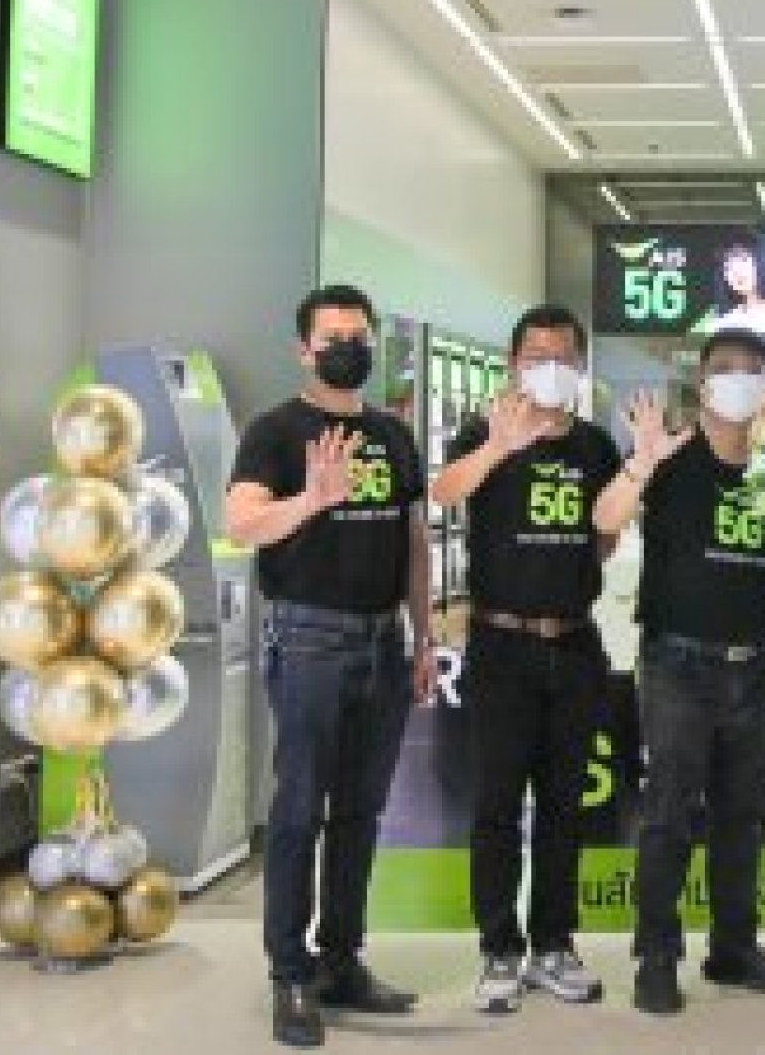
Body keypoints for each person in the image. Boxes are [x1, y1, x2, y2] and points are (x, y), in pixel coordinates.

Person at [225, 284, 436, 1049]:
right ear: (303, 350)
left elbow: (413, 540)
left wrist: (423, 636)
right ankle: (289, 973)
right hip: (309, 638)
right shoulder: (275, 432)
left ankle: (342, 960)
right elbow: (242, 523)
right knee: (297, 811)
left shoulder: (393, 434)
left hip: (384, 641)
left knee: (360, 811)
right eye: (333, 338)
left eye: (359, 337)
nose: (348, 348)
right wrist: (311, 501)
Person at [591, 328, 765, 1016]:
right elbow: (604, 520)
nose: (739, 379)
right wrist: (640, 464)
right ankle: (656, 956)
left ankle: (734, 948)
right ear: (703, 382)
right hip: (678, 665)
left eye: (752, 369)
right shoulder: (671, 456)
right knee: (669, 814)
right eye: (725, 368)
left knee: (742, 818)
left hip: (755, 665)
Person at [431, 304, 622, 1016]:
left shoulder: (596, 446)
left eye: (563, 356)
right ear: (514, 365)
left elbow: (604, 536)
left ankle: (553, 945)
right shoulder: (484, 430)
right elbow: (444, 491)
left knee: (566, 807)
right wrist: (499, 447)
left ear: (580, 365)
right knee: (497, 804)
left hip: (573, 643)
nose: (551, 368)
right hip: (501, 644)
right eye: (537, 356)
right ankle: (499, 949)